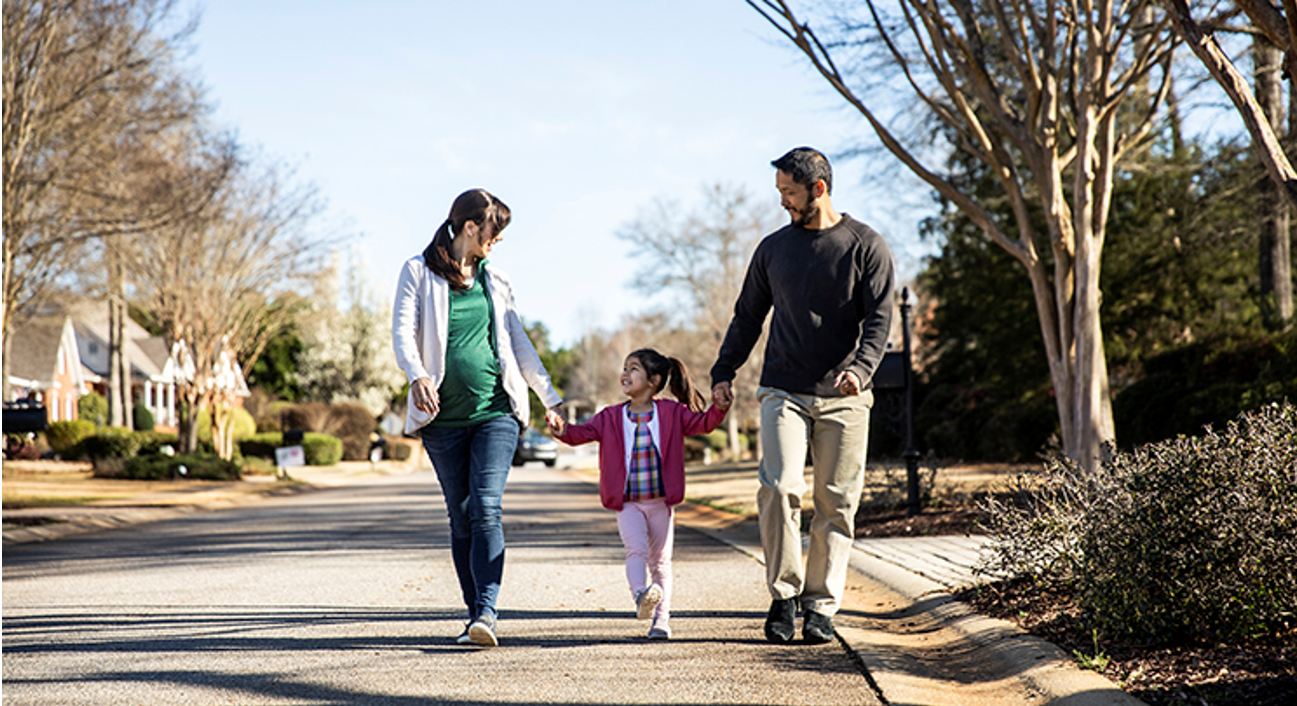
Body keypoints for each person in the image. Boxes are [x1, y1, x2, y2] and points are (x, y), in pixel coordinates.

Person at [710, 147, 895, 645]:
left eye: (789, 193)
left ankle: (821, 604)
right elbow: (748, 315)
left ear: (818, 189)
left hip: (845, 393)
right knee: (779, 485)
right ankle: (783, 595)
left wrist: (860, 369)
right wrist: (724, 370)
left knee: (836, 501)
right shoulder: (773, 250)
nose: (783, 203)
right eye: (780, 193)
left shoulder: (865, 246)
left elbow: (880, 321)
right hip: (783, 389)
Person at [392, 188, 564, 648]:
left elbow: (518, 342)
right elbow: (403, 332)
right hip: (441, 419)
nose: (498, 240)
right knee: (461, 514)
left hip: (496, 411)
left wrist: (549, 396)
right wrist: (417, 375)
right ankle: (475, 616)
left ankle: (487, 608)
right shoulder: (418, 271)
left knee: (486, 505)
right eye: (495, 231)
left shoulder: (498, 280)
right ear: (471, 227)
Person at [548, 348, 730, 639]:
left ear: (654, 381)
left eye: (633, 369)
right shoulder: (610, 416)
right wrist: (561, 429)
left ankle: (661, 621)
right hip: (628, 504)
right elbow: (579, 434)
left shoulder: (671, 413)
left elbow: (704, 423)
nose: (625, 373)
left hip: (661, 503)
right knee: (635, 552)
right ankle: (641, 597)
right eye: (624, 367)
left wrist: (719, 408)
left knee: (660, 563)